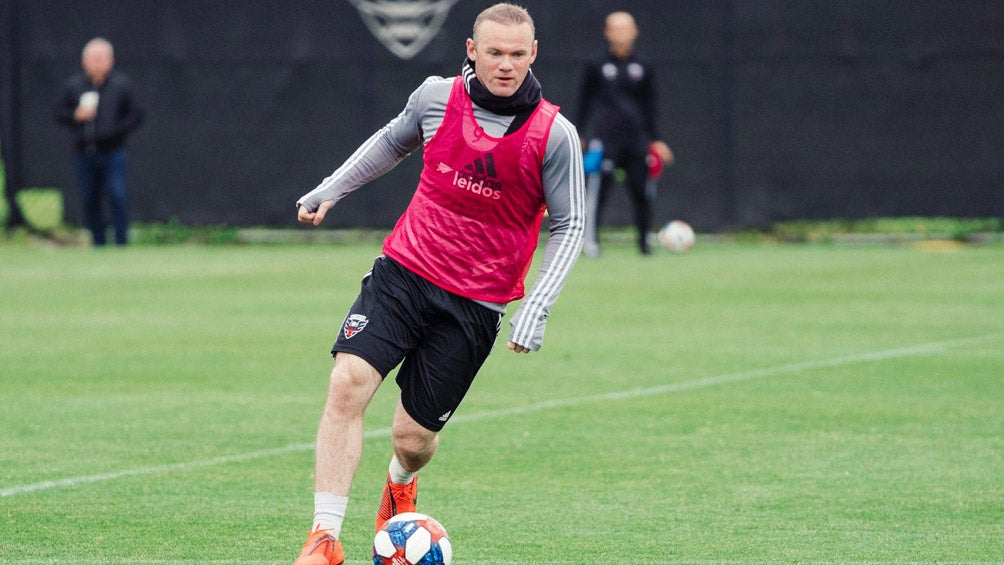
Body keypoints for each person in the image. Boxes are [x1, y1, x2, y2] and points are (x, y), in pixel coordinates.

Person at [291, 4, 584, 564]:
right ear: (472, 50)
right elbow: (389, 142)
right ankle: (323, 538)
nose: (505, 65)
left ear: (534, 55)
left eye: (517, 55)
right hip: (403, 272)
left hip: (475, 306)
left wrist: (538, 306)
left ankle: (401, 481)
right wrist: (331, 189)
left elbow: (570, 225)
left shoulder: (555, 135)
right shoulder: (434, 96)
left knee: (412, 439)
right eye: (494, 52)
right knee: (347, 382)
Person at [574, 11, 673, 257]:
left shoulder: (643, 67)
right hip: (605, 140)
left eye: (625, 28)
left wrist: (656, 139)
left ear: (635, 31)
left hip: (636, 141)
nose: (621, 33)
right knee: (598, 192)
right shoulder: (595, 66)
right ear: (607, 32)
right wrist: (579, 133)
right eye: (615, 28)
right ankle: (591, 243)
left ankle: (644, 243)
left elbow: (650, 106)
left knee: (642, 192)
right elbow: (584, 102)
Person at [55, 37, 144, 246]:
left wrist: (114, 131)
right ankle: (98, 242)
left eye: (101, 58)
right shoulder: (75, 86)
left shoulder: (121, 85)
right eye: (93, 58)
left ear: (110, 60)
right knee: (89, 198)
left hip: (113, 151)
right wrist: (76, 116)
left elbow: (136, 114)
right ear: (84, 61)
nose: (97, 62)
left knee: (117, 194)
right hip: (84, 151)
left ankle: (122, 242)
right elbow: (58, 112)